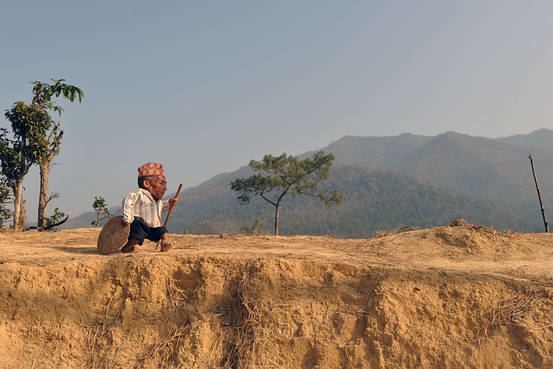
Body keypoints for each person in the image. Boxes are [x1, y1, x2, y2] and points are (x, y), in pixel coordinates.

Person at [120, 162, 179, 253]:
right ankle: (129, 247)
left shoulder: (157, 200)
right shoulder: (138, 194)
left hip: (153, 227)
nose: (165, 188)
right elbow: (128, 202)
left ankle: (164, 243)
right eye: (161, 183)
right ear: (147, 183)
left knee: (162, 231)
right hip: (140, 224)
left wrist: (169, 203)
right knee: (137, 234)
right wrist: (127, 218)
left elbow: (161, 207)